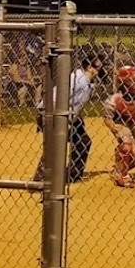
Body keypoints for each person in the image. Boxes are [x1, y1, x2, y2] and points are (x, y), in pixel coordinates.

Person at [33, 56, 104, 184]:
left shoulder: (87, 81)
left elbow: (76, 103)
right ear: (89, 67)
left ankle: (71, 176)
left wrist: (76, 120)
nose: (101, 69)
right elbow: (55, 99)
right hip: (52, 113)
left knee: (83, 141)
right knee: (55, 146)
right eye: (98, 66)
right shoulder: (76, 79)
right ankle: (40, 179)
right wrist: (59, 121)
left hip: (68, 117)